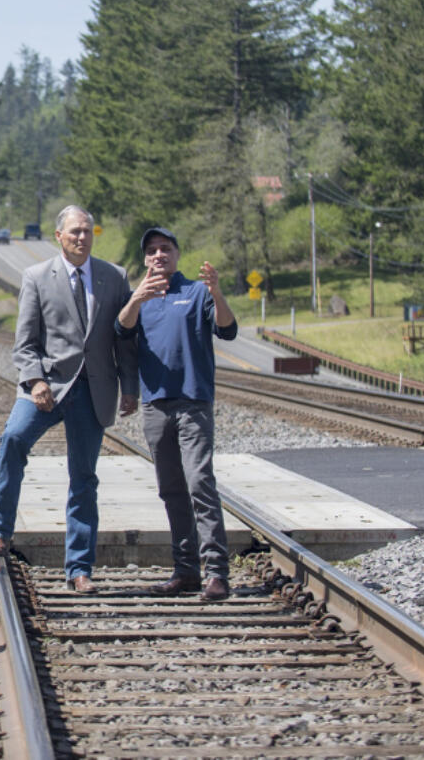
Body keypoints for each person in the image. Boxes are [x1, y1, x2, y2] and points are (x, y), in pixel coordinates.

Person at [0, 205, 139, 594]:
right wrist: (34, 380)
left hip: (94, 389)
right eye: (74, 232)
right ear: (59, 236)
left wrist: (130, 386)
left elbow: (125, 339)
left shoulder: (114, 276)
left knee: (84, 478)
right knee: (13, 441)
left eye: (87, 231)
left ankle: (80, 568)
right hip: (48, 386)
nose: (81, 238)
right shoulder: (36, 277)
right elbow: (25, 343)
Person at [115, 227, 237, 602]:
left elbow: (227, 330)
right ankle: (186, 571)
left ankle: (216, 572)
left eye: (165, 249)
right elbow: (122, 331)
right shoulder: (141, 298)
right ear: (145, 259)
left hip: (193, 401)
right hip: (155, 405)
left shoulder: (196, 292)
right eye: (151, 251)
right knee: (171, 489)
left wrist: (216, 291)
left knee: (199, 482)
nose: (158, 255)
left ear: (177, 254)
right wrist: (137, 297)